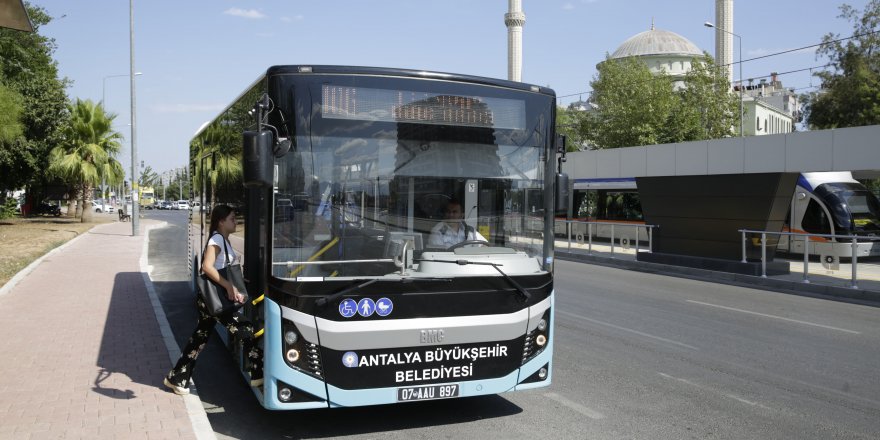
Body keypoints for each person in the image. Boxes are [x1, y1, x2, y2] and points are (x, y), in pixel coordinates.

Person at [163, 204, 263, 395]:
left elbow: (223, 267)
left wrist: (238, 281)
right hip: (214, 299)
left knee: (200, 338)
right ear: (221, 221)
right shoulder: (217, 239)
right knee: (246, 329)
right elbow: (207, 267)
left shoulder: (223, 240)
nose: (235, 222)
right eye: (232, 218)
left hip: (210, 298)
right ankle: (258, 372)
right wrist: (228, 285)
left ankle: (176, 378)